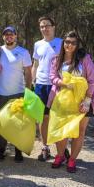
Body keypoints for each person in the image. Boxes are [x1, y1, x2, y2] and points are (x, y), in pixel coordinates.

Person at [49, 31, 94, 173]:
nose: (69, 45)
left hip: (82, 101)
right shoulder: (56, 58)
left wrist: (87, 100)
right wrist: (63, 83)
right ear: (63, 43)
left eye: (73, 43)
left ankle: (72, 159)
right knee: (62, 129)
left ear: (77, 45)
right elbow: (52, 76)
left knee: (79, 131)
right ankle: (60, 156)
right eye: (67, 42)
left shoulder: (85, 59)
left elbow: (92, 81)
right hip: (62, 100)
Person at [0, 26, 32, 162]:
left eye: (12, 34)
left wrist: (28, 91)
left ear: (16, 36)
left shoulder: (23, 52)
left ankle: (18, 150)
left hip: (18, 93)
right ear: (3, 37)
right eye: (6, 35)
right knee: (1, 123)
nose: (9, 37)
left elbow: (28, 72)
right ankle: (1, 149)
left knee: (18, 123)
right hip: (1, 93)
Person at [32, 16, 62, 161]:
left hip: (57, 85)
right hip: (40, 85)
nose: (45, 28)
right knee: (42, 118)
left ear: (53, 26)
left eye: (47, 25)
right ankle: (45, 147)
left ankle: (61, 149)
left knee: (57, 117)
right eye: (42, 26)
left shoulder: (61, 43)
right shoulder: (37, 44)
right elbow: (35, 65)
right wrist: (32, 82)